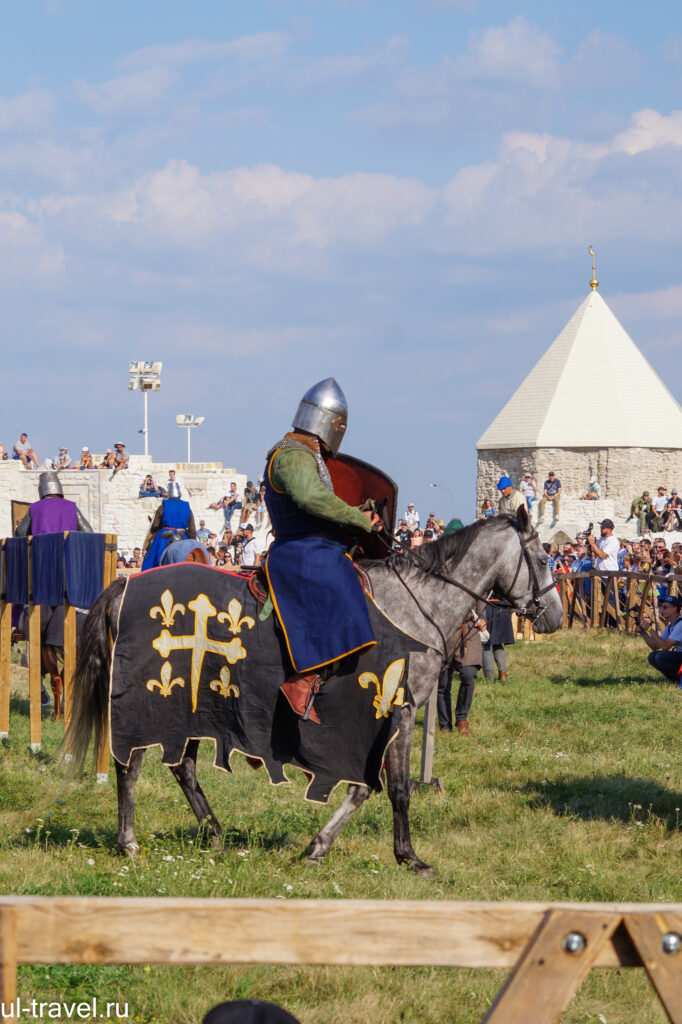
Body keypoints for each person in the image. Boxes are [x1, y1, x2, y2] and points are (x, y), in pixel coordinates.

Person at [263, 377, 379, 724]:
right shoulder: (292, 455)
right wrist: (356, 517)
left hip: (313, 544)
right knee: (338, 576)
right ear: (329, 424)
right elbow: (310, 498)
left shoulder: (305, 453)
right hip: (299, 550)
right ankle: (304, 678)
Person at [15, 472, 93, 710]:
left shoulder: (35, 508)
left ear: (42, 490)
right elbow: (88, 532)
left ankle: (39, 682)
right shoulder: (71, 507)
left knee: (35, 629)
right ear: (59, 489)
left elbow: (19, 534)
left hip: (41, 576)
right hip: (68, 577)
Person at [437, 610, 488, 736]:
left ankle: (461, 719)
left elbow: (480, 597)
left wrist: (481, 617)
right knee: (442, 684)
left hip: (468, 632)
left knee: (468, 675)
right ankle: (445, 725)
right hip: (445, 631)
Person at [141, 481, 196, 569]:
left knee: (152, 558)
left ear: (169, 493)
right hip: (183, 536)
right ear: (179, 493)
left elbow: (155, 524)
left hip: (165, 537)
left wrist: (156, 530)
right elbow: (192, 529)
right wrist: (193, 543)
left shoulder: (164, 505)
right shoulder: (187, 507)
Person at [636, 593, 682, 685]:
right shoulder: (670, 626)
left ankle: (677, 679)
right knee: (652, 656)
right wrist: (643, 632)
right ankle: (675, 680)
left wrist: (649, 628)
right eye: (661, 607)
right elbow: (655, 646)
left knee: (660, 657)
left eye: (665, 607)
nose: (662, 610)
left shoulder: (680, 624)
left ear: (674, 609)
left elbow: (665, 646)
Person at [483, 601, 514, 681]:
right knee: (498, 643)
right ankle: (503, 675)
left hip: (489, 607)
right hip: (504, 609)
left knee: (486, 644)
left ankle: (489, 679)